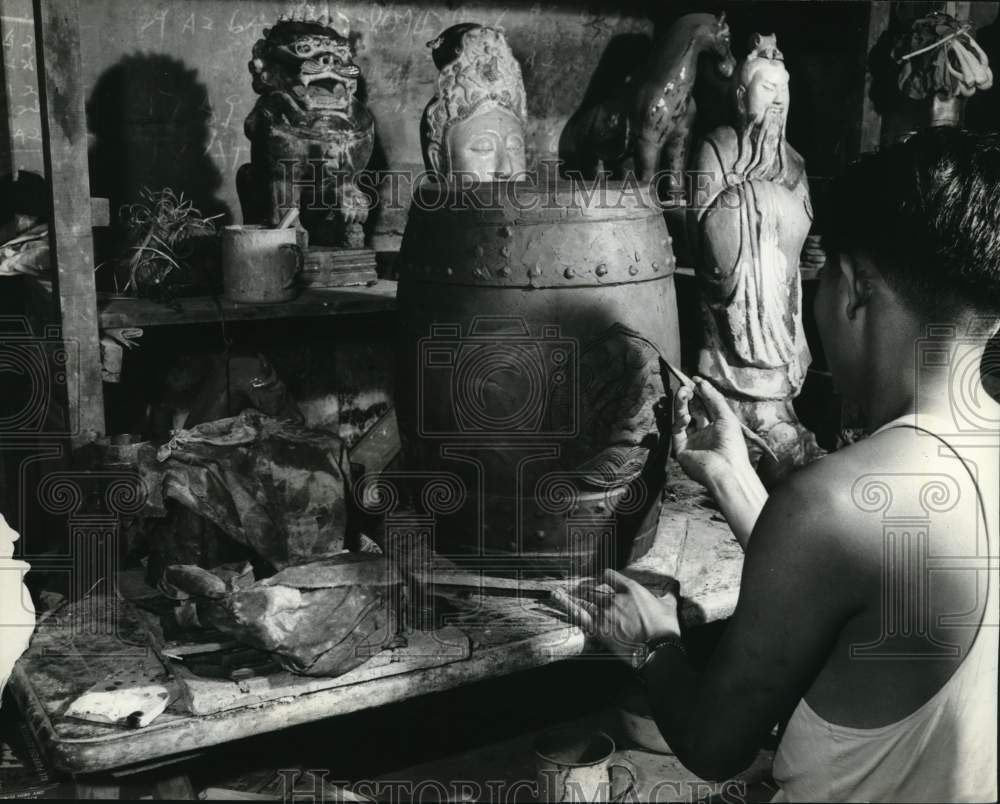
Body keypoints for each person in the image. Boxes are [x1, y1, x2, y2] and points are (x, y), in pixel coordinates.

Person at [554, 126, 999, 802]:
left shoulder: (832, 505)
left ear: (851, 289)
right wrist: (735, 479)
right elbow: (870, 596)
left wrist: (654, 645)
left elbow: (713, 746)